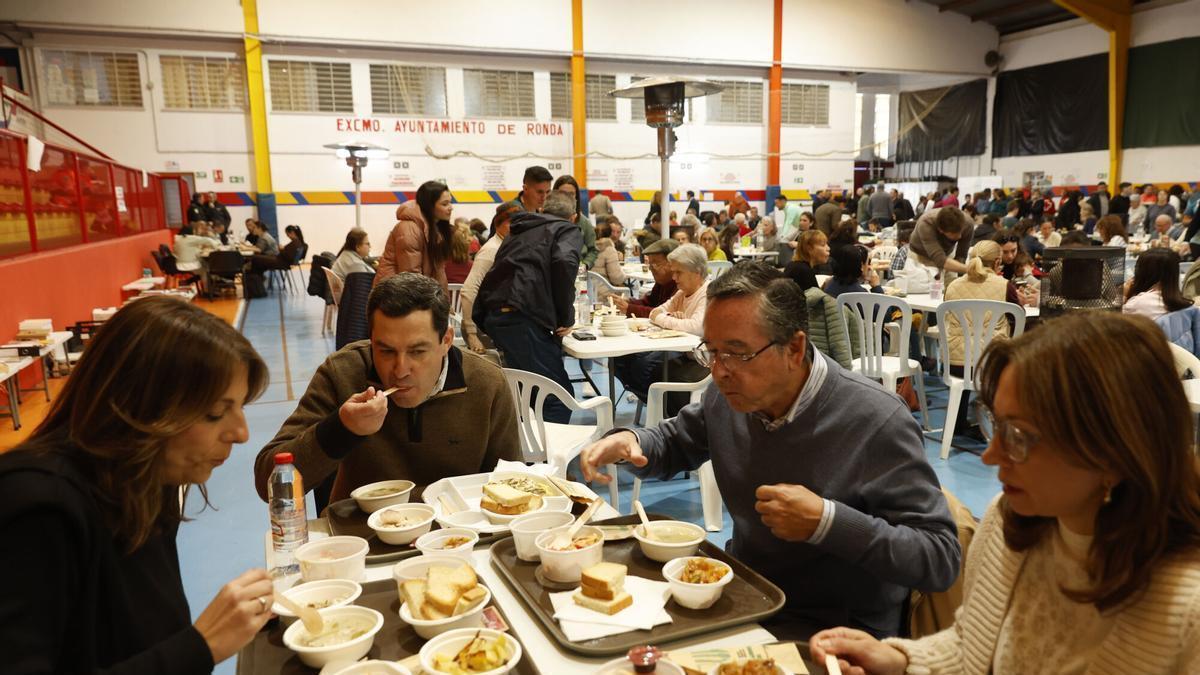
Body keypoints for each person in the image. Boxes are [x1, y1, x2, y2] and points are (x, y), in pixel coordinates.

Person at [583, 262, 961, 639]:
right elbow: (677, 442)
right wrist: (632, 442)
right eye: (711, 351)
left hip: (840, 631)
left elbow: (939, 557)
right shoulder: (726, 396)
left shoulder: (876, 419)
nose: (719, 371)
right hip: (748, 597)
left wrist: (827, 522)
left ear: (794, 348)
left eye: (737, 353)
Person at [812, 312, 1200, 674]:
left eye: (1018, 436)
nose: (991, 456)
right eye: (997, 426)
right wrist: (897, 658)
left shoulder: (1187, 608)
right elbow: (973, 649)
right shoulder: (1011, 519)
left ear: (1114, 450)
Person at [0, 297, 274, 673]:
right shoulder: (39, 508)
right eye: (214, 413)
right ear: (140, 410)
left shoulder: (148, 481)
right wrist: (202, 645)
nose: (241, 433)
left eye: (240, 407)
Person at [256, 274, 520, 502]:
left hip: (458, 537)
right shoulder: (343, 373)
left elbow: (509, 484)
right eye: (385, 351)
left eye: (417, 351)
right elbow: (269, 484)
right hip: (361, 539)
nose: (401, 369)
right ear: (371, 340)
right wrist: (341, 429)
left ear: (447, 340)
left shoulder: (487, 383)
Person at [475, 190, 582, 424]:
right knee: (557, 397)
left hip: (495, 315)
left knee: (532, 392)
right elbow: (564, 262)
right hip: (521, 316)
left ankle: (527, 451)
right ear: (573, 217)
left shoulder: (520, 229)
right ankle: (546, 459)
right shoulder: (566, 229)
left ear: (542, 210)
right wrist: (566, 318)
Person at [612, 244, 711, 407]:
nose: (674, 278)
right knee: (624, 359)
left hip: (703, 359)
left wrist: (667, 319)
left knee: (648, 367)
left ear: (697, 273)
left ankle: (659, 408)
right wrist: (674, 319)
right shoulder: (682, 292)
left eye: (679, 272)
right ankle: (654, 405)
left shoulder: (707, 293)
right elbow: (655, 312)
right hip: (687, 353)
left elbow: (695, 327)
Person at [942, 240, 1015, 439]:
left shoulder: (953, 285)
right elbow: (1017, 318)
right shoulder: (1005, 286)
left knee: (966, 350)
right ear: (998, 261)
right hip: (991, 365)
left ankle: (957, 423)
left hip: (954, 364)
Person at [461, 203, 519, 354]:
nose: (517, 226)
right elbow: (468, 290)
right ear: (499, 224)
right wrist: (471, 333)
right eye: (512, 222)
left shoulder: (505, 246)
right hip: (482, 328)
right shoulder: (491, 250)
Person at [375, 180, 453, 290]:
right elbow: (411, 278)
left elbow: (439, 274)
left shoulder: (435, 231)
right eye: (445, 204)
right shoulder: (409, 229)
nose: (451, 207)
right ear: (429, 206)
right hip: (393, 297)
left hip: (409, 295)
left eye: (450, 202)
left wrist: (444, 305)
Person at [614, 239, 678, 318]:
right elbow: (649, 302)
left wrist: (629, 308)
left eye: (655, 264)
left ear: (672, 264)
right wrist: (628, 302)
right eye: (650, 264)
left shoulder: (680, 284)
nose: (651, 268)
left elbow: (665, 314)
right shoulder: (662, 282)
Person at [1123, 248, 1191, 321]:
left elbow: (1113, 322)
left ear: (1142, 272)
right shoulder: (1185, 304)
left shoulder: (1137, 303)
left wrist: (1123, 295)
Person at [910, 206, 974, 275]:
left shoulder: (968, 224)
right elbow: (940, 260)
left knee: (949, 277)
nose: (959, 236)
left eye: (960, 231)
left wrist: (961, 277)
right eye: (954, 233)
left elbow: (961, 256)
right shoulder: (926, 224)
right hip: (920, 253)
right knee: (925, 280)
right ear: (941, 230)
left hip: (945, 253)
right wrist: (969, 269)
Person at [553, 174, 598, 269]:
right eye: (563, 193)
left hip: (579, 274)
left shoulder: (584, 222)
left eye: (571, 194)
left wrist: (585, 265)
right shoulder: (547, 220)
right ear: (555, 194)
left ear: (576, 196)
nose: (567, 197)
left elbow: (593, 250)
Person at [591, 219, 626, 301]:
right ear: (610, 234)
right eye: (614, 232)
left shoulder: (588, 246)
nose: (615, 235)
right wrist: (625, 276)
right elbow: (617, 278)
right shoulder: (609, 249)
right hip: (604, 293)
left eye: (618, 232)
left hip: (587, 290)